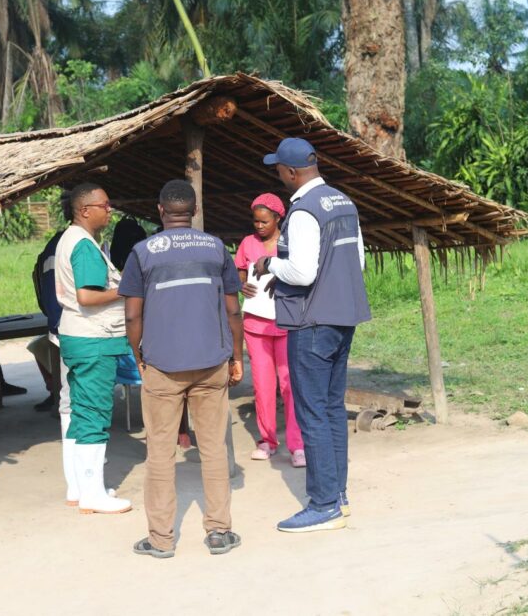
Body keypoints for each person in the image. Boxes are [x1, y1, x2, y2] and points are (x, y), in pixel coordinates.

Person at [120, 179, 244, 559]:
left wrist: (138, 355)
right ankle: (219, 533)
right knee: (213, 449)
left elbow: (132, 315)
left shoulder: (142, 253)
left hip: (163, 366)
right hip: (211, 364)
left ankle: (160, 539)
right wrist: (236, 356)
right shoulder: (216, 248)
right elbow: (232, 309)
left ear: (160, 210)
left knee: (159, 454)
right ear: (192, 211)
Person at [253, 137, 370, 533]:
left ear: (290, 172)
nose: (279, 176)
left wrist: (272, 265)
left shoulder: (303, 211)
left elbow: (302, 272)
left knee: (313, 412)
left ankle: (322, 506)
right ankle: (338, 495)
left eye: (279, 170)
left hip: (311, 322)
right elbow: (358, 261)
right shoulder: (343, 203)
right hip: (342, 317)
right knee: (333, 409)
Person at [55, 182, 131, 514]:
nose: (109, 209)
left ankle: (79, 486)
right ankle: (92, 494)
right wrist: (125, 288)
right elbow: (87, 296)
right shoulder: (84, 245)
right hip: (93, 337)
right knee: (95, 414)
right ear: (86, 210)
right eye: (105, 204)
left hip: (78, 336)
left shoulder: (71, 239)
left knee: (79, 411)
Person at [234, 193, 305, 466]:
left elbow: (303, 273)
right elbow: (240, 271)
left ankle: (297, 446)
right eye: (255, 221)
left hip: (287, 324)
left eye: (264, 221)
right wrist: (242, 284)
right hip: (255, 324)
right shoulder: (248, 244)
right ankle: (267, 441)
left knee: (290, 385)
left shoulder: (290, 242)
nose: (259, 226)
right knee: (263, 386)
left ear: (278, 218)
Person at [29, 229, 65, 414]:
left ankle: (55, 392)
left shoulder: (57, 245)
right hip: (64, 322)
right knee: (40, 345)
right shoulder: (66, 245)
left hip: (59, 320)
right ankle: (54, 391)